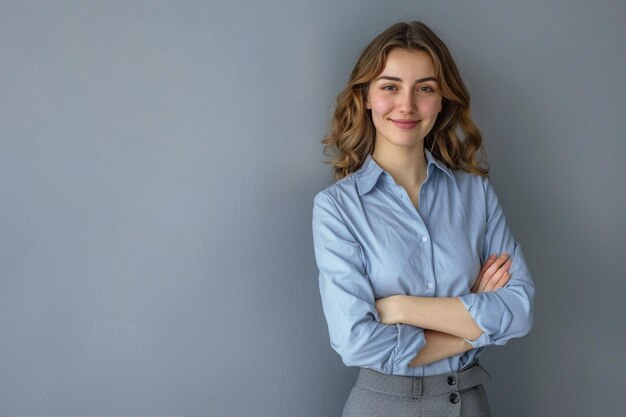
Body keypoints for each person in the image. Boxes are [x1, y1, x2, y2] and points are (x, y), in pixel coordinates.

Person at [311, 21, 535, 416]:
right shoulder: (337, 208)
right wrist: (473, 324)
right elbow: (357, 342)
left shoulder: (476, 194)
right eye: (390, 86)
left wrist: (400, 307)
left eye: (425, 88)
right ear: (365, 96)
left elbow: (519, 310)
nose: (407, 105)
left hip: (469, 403)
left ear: (442, 99)